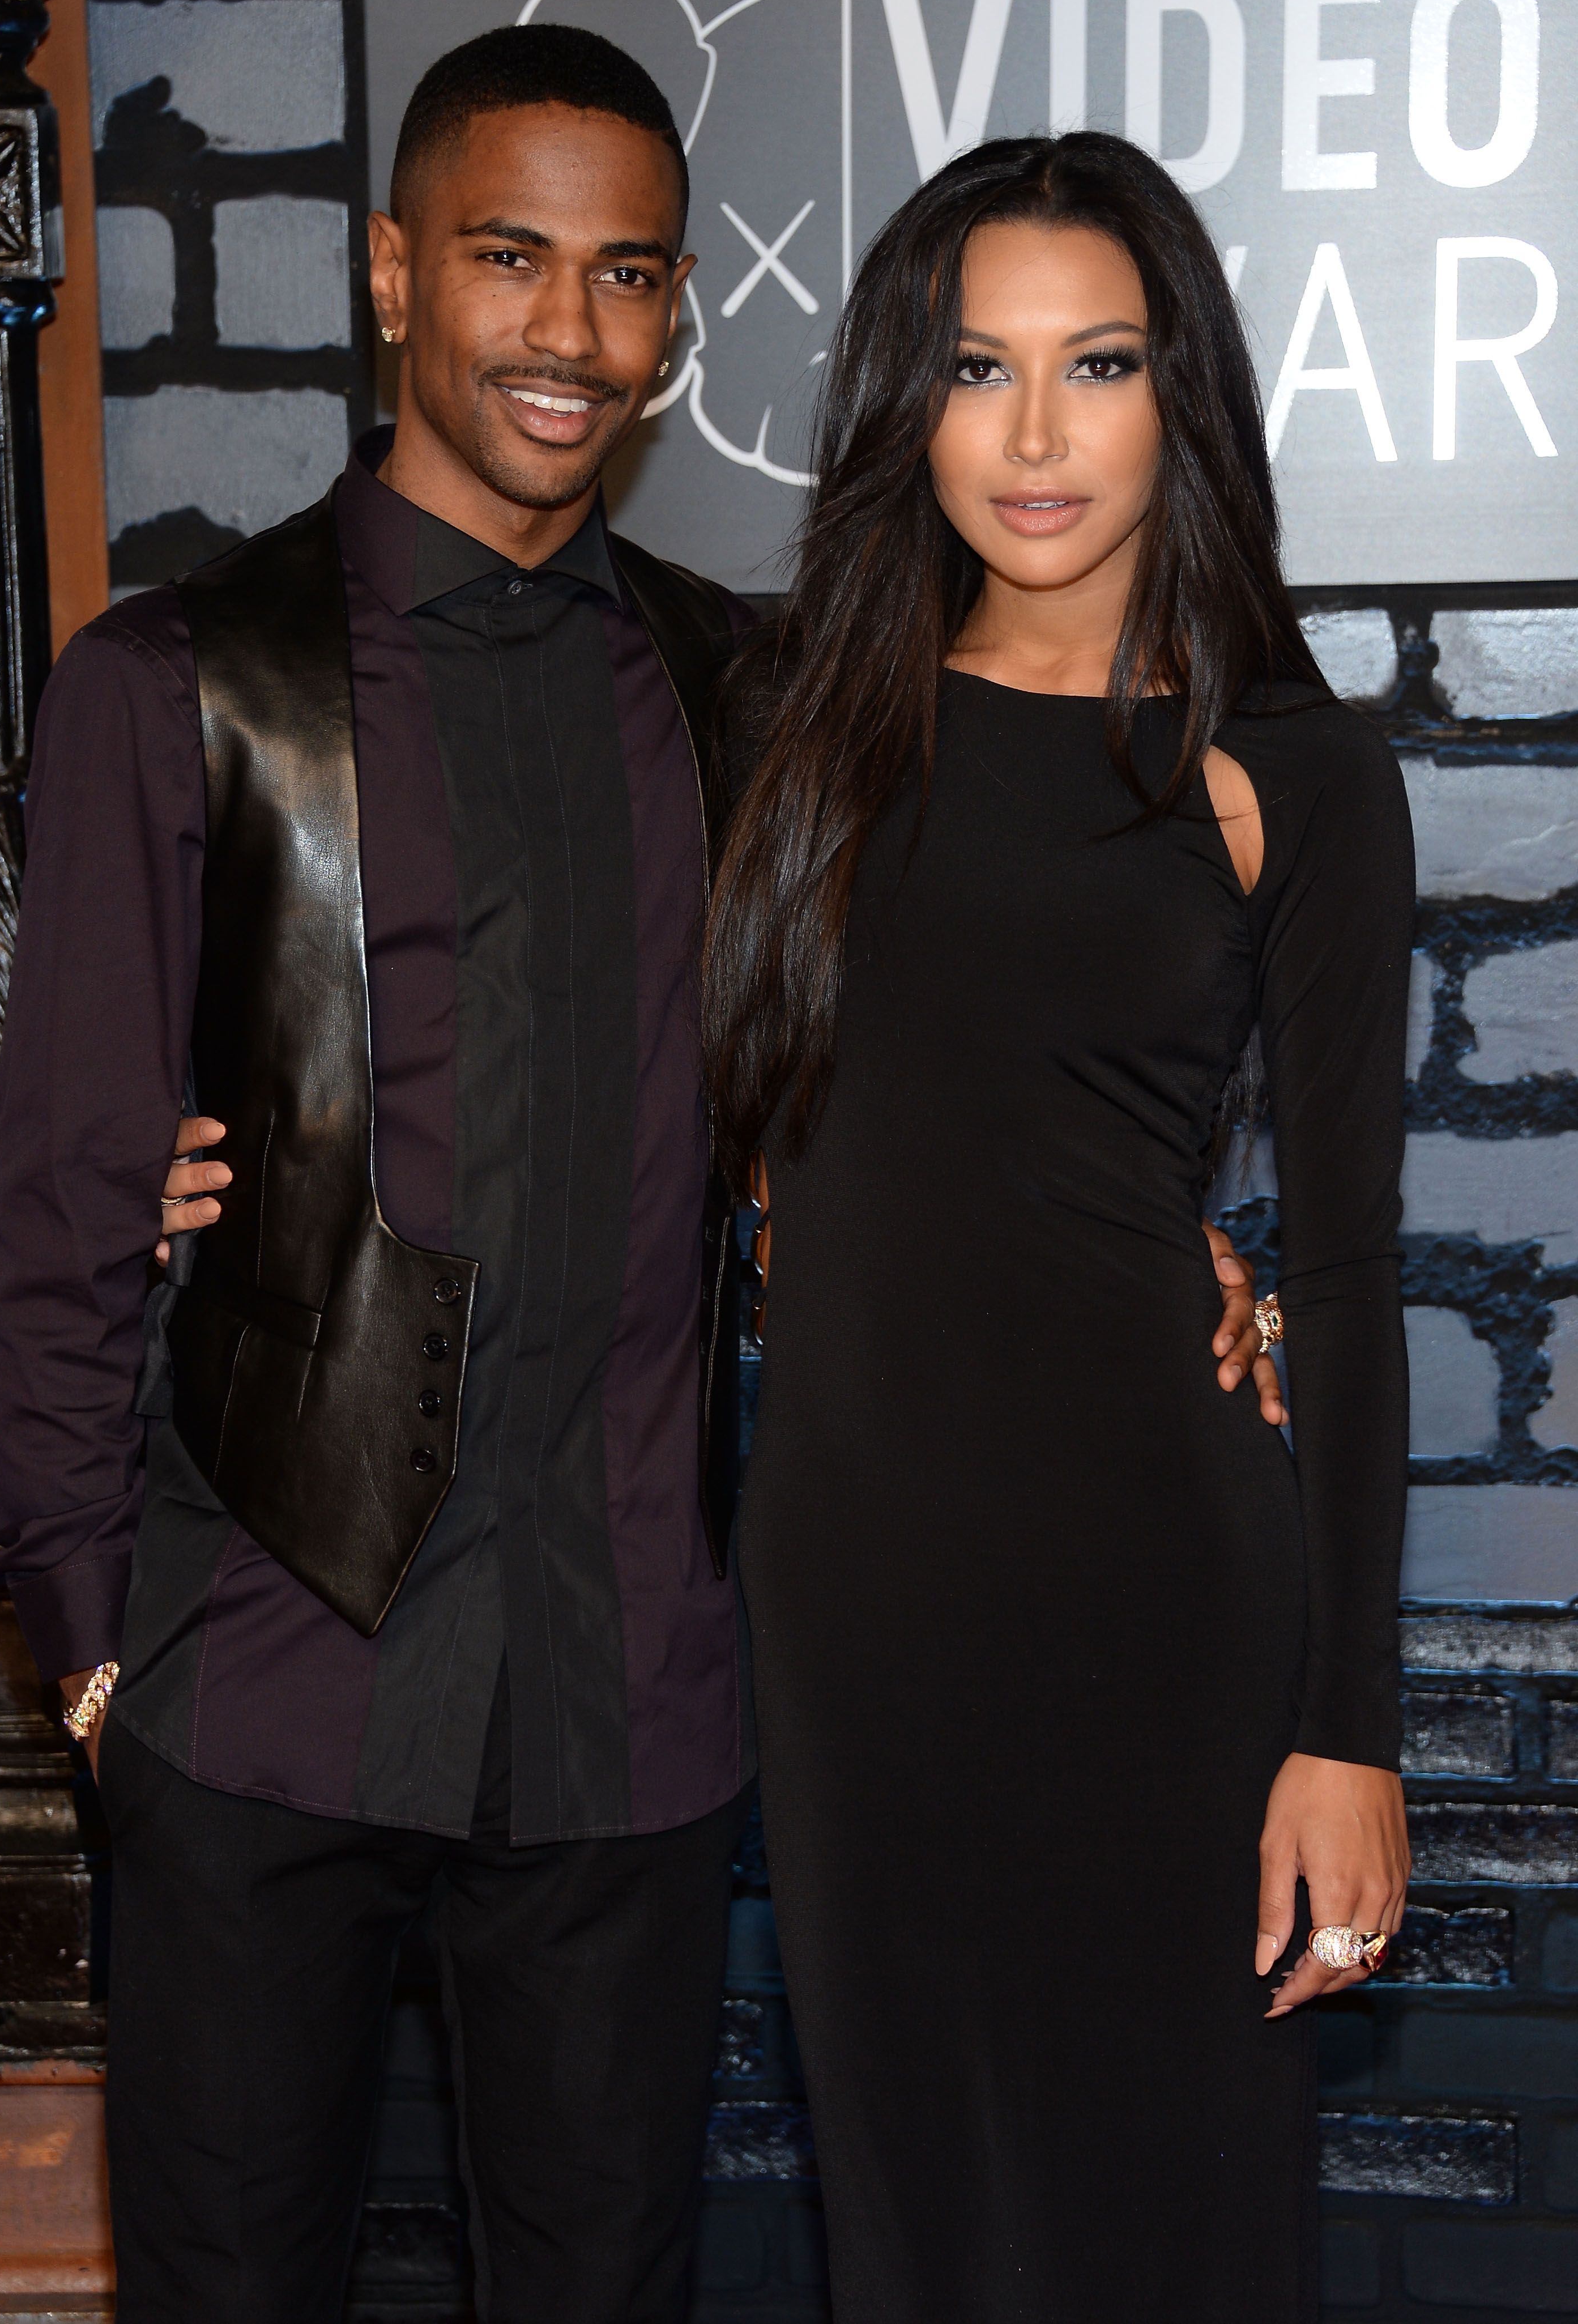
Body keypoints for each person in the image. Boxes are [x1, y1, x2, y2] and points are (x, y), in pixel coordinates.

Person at [0, 25, 1276, 2323]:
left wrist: (1154, 1233)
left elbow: (951, 1052)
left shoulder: (760, 695)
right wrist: (95, 1665)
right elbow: (67, 1217)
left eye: (628, 276)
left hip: (630, 1711)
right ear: (395, 273)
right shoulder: (176, 681)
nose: (569, 332)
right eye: (510, 260)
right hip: (256, 1691)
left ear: (677, 311)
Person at [702, 132, 1413, 2322]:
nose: (1033, 436)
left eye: (1097, 365)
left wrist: (1351, 1729)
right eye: (974, 367)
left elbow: (1352, 1266)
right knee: (911, 2228)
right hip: (852, 1596)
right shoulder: (791, 719)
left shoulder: (1288, 768)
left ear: (1178, 393)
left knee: (1171, 2228)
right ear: (903, 404)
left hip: (1161, 1598)